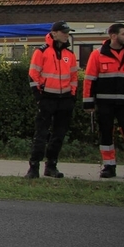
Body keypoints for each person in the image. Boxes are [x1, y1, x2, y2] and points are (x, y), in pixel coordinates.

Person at [25, 21, 78, 179]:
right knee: (41, 134)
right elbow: (33, 75)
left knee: (58, 135)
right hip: (47, 98)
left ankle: (51, 165)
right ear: (54, 33)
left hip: (65, 99)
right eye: (63, 32)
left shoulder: (70, 55)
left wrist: (72, 96)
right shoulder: (41, 52)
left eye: (67, 32)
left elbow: (74, 78)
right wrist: (39, 97)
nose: (66, 35)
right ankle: (34, 167)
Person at [83, 23, 124, 178]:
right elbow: (89, 79)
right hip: (105, 103)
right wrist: (88, 102)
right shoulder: (97, 54)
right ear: (113, 36)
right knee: (105, 133)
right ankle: (109, 165)